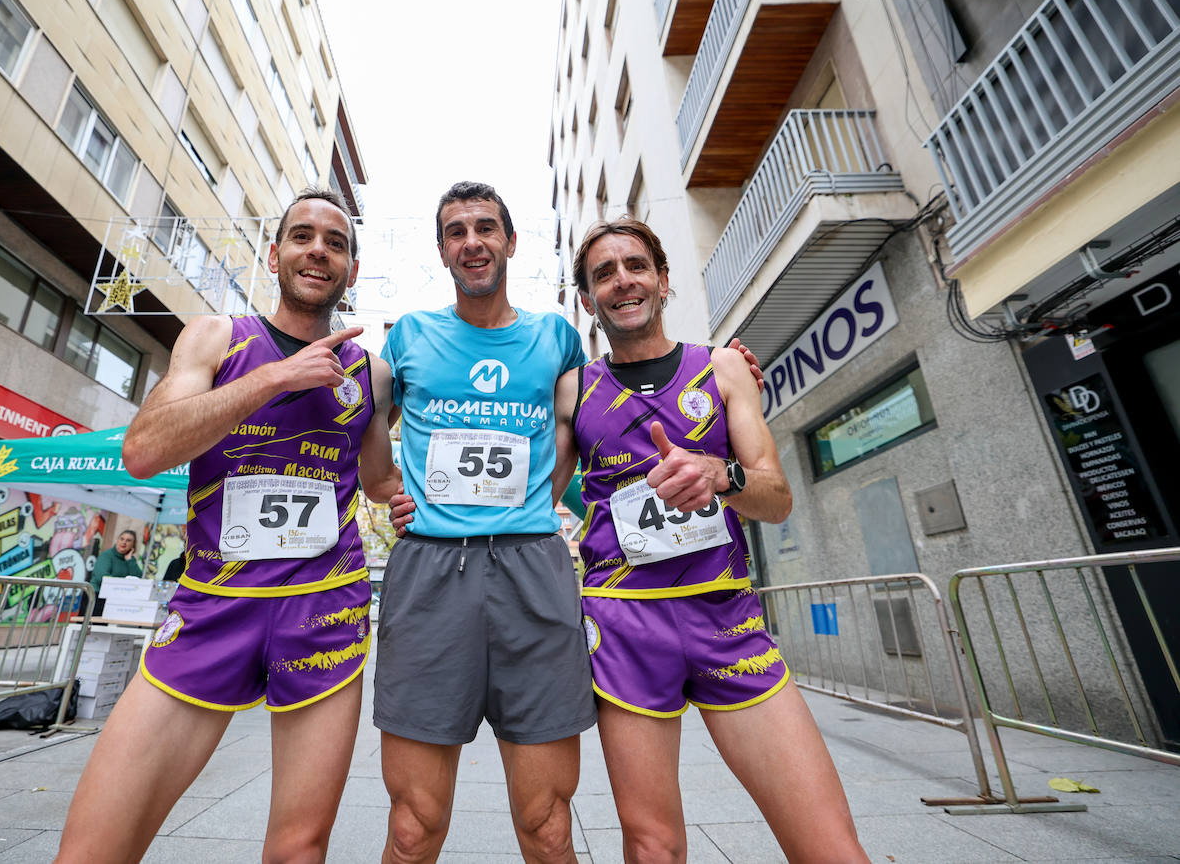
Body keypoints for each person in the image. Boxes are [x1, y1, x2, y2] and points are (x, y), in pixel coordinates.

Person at [56, 188, 402, 864]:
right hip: (213, 607)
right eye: (302, 236)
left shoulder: (372, 373)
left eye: (335, 243)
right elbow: (143, 451)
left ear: (352, 271)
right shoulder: (215, 338)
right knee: (92, 851)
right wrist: (275, 378)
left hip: (323, 611)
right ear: (274, 256)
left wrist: (416, 501)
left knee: (298, 850)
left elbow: (378, 480)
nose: (318, 251)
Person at [552, 218, 865, 863]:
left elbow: (776, 500)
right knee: (653, 847)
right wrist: (419, 507)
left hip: (726, 619)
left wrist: (723, 475)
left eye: (636, 266)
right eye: (604, 274)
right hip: (625, 628)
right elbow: (531, 500)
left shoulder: (722, 368)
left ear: (663, 280)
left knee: (830, 846)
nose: (622, 281)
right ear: (587, 299)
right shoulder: (575, 389)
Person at [375, 180, 597, 864]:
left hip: (532, 568)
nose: (472, 242)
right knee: (413, 827)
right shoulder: (409, 335)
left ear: (510, 241)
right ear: (443, 250)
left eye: (485, 228)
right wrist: (388, 488)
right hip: (430, 572)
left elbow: (581, 424)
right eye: (456, 232)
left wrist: (541, 496)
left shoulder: (556, 338)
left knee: (548, 825)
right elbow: (356, 419)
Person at [88, 529, 142, 617]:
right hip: (97, 597)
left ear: (133, 545)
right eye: (122, 539)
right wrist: (125, 583)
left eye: (128, 540)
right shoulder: (107, 555)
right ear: (117, 540)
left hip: (117, 600)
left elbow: (138, 579)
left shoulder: (130, 560)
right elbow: (101, 577)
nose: (124, 542)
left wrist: (129, 561)